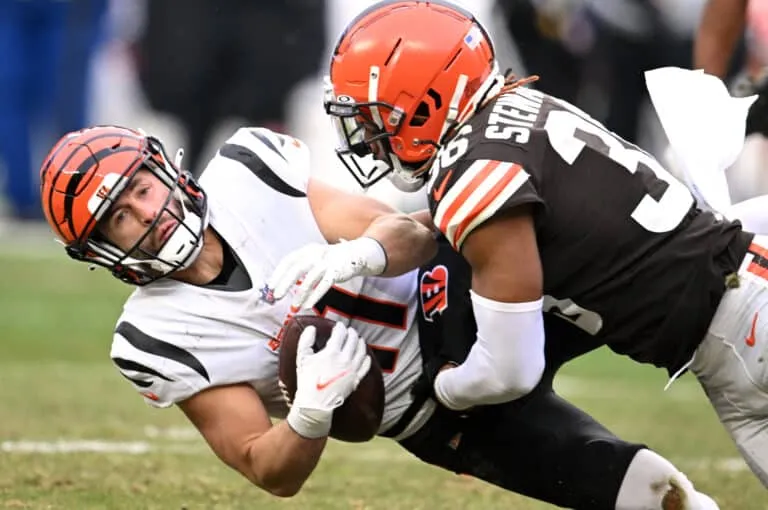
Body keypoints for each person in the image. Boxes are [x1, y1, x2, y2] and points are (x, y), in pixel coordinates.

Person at [38, 124, 717, 509]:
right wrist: (309, 414)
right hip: (431, 418)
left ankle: (723, 260)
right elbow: (265, 467)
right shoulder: (152, 339)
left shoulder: (248, 168)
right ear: (102, 251)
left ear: (166, 169)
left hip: (452, 301)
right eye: (117, 219)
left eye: (140, 190)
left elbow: (414, 234)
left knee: (652, 278)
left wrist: (356, 257)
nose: (145, 217)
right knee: (651, 493)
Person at [276, 0, 768, 490]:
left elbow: (510, 370)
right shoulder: (516, 110)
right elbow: (452, 228)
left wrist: (445, 387)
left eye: (373, 118)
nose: (368, 139)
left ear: (425, 104)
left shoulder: (473, 177)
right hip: (738, 313)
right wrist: (359, 254)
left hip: (741, 333)